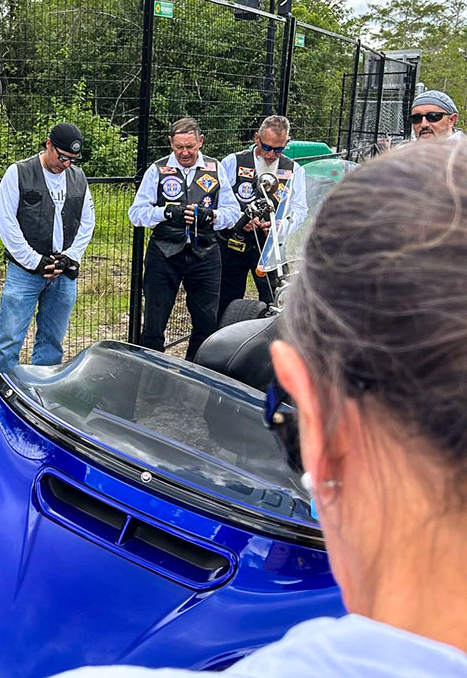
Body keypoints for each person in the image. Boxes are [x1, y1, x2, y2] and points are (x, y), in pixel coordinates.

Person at [51, 139, 467, 678]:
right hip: (173, 255)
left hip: (209, 259)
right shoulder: (166, 172)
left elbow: (227, 209)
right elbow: (140, 212)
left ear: (312, 419)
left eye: (282, 412)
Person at [0, 123, 95, 380]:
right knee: (9, 339)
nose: (66, 164)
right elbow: (7, 223)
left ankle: (39, 394)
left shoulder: (78, 178)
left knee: (52, 341)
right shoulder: (19, 172)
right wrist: (34, 261)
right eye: (62, 156)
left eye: (72, 159)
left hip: (63, 271)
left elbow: (87, 221)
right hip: (25, 272)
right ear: (48, 144)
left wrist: (70, 256)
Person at [129, 117, 239, 360]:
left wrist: (212, 216)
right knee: (154, 321)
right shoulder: (157, 170)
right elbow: (135, 214)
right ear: (170, 143)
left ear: (200, 142)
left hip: (205, 252)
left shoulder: (215, 168)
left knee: (206, 321)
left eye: (190, 146)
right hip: (165, 252)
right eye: (179, 147)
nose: (185, 153)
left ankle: (194, 371)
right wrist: (166, 213)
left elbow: (233, 213)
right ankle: (151, 370)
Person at [217, 115, 307, 319]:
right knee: (226, 299)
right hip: (234, 242)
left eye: (279, 149)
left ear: (287, 143)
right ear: (256, 138)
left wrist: (280, 225)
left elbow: (300, 209)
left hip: (270, 246)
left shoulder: (294, 170)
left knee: (274, 298)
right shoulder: (233, 162)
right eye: (267, 147)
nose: (271, 154)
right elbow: (219, 200)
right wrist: (240, 219)